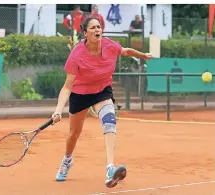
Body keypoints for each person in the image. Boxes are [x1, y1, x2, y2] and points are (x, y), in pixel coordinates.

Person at [52, 17, 152, 188]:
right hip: (80, 93)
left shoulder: (109, 45)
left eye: (99, 27)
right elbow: (67, 87)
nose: (97, 30)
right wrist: (58, 110)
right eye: (93, 28)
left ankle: (110, 167)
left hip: (101, 90)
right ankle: (67, 159)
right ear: (85, 33)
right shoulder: (77, 54)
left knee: (109, 122)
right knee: (74, 134)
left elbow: (125, 51)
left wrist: (143, 55)